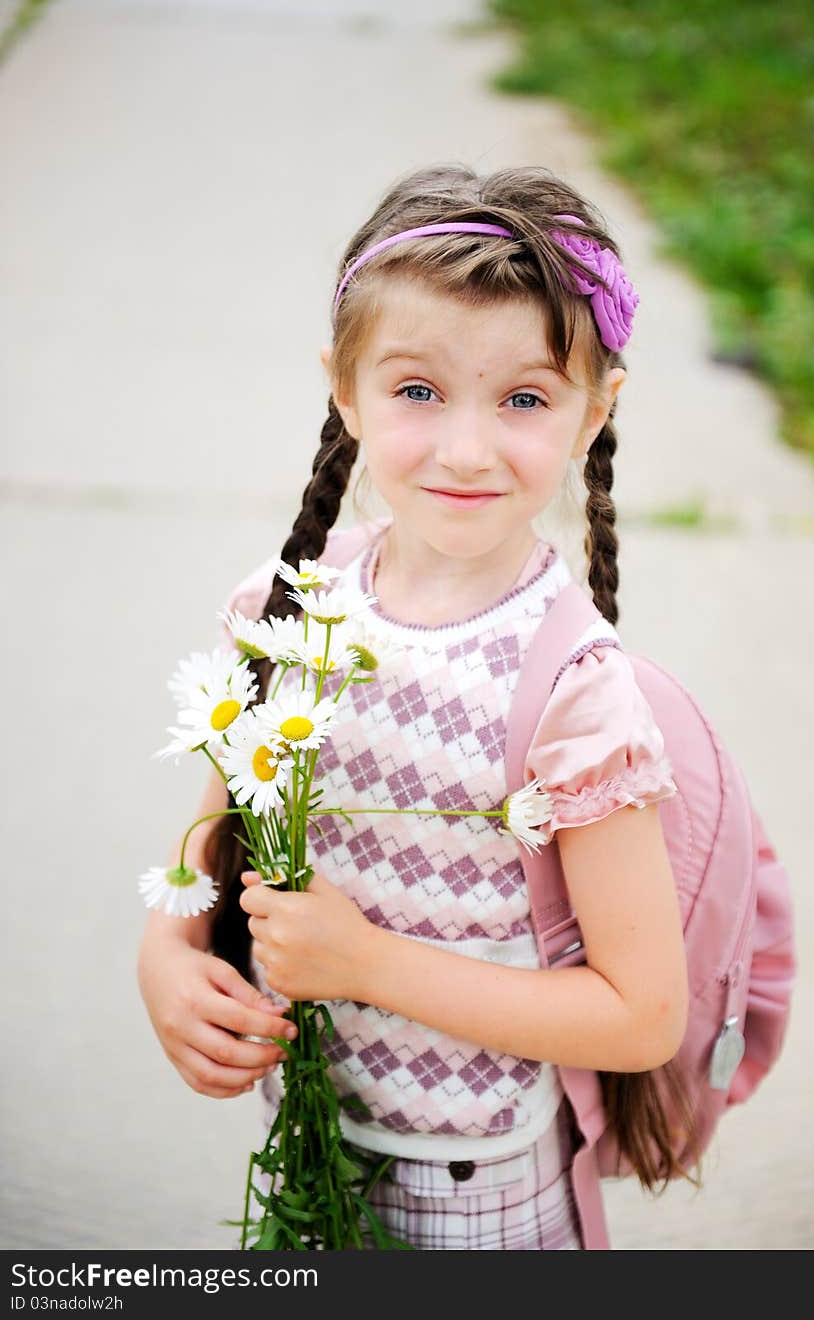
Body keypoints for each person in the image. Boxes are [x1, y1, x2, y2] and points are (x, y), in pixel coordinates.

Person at [138, 163, 689, 1250]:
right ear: (344, 390)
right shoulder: (285, 607)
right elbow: (207, 839)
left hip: (475, 1188)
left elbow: (641, 1014)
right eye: (417, 391)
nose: (468, 448)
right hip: (309, 1145)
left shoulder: (576, 693)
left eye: (524, 398)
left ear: (596, 410)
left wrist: (370, 966)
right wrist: (166, 957)